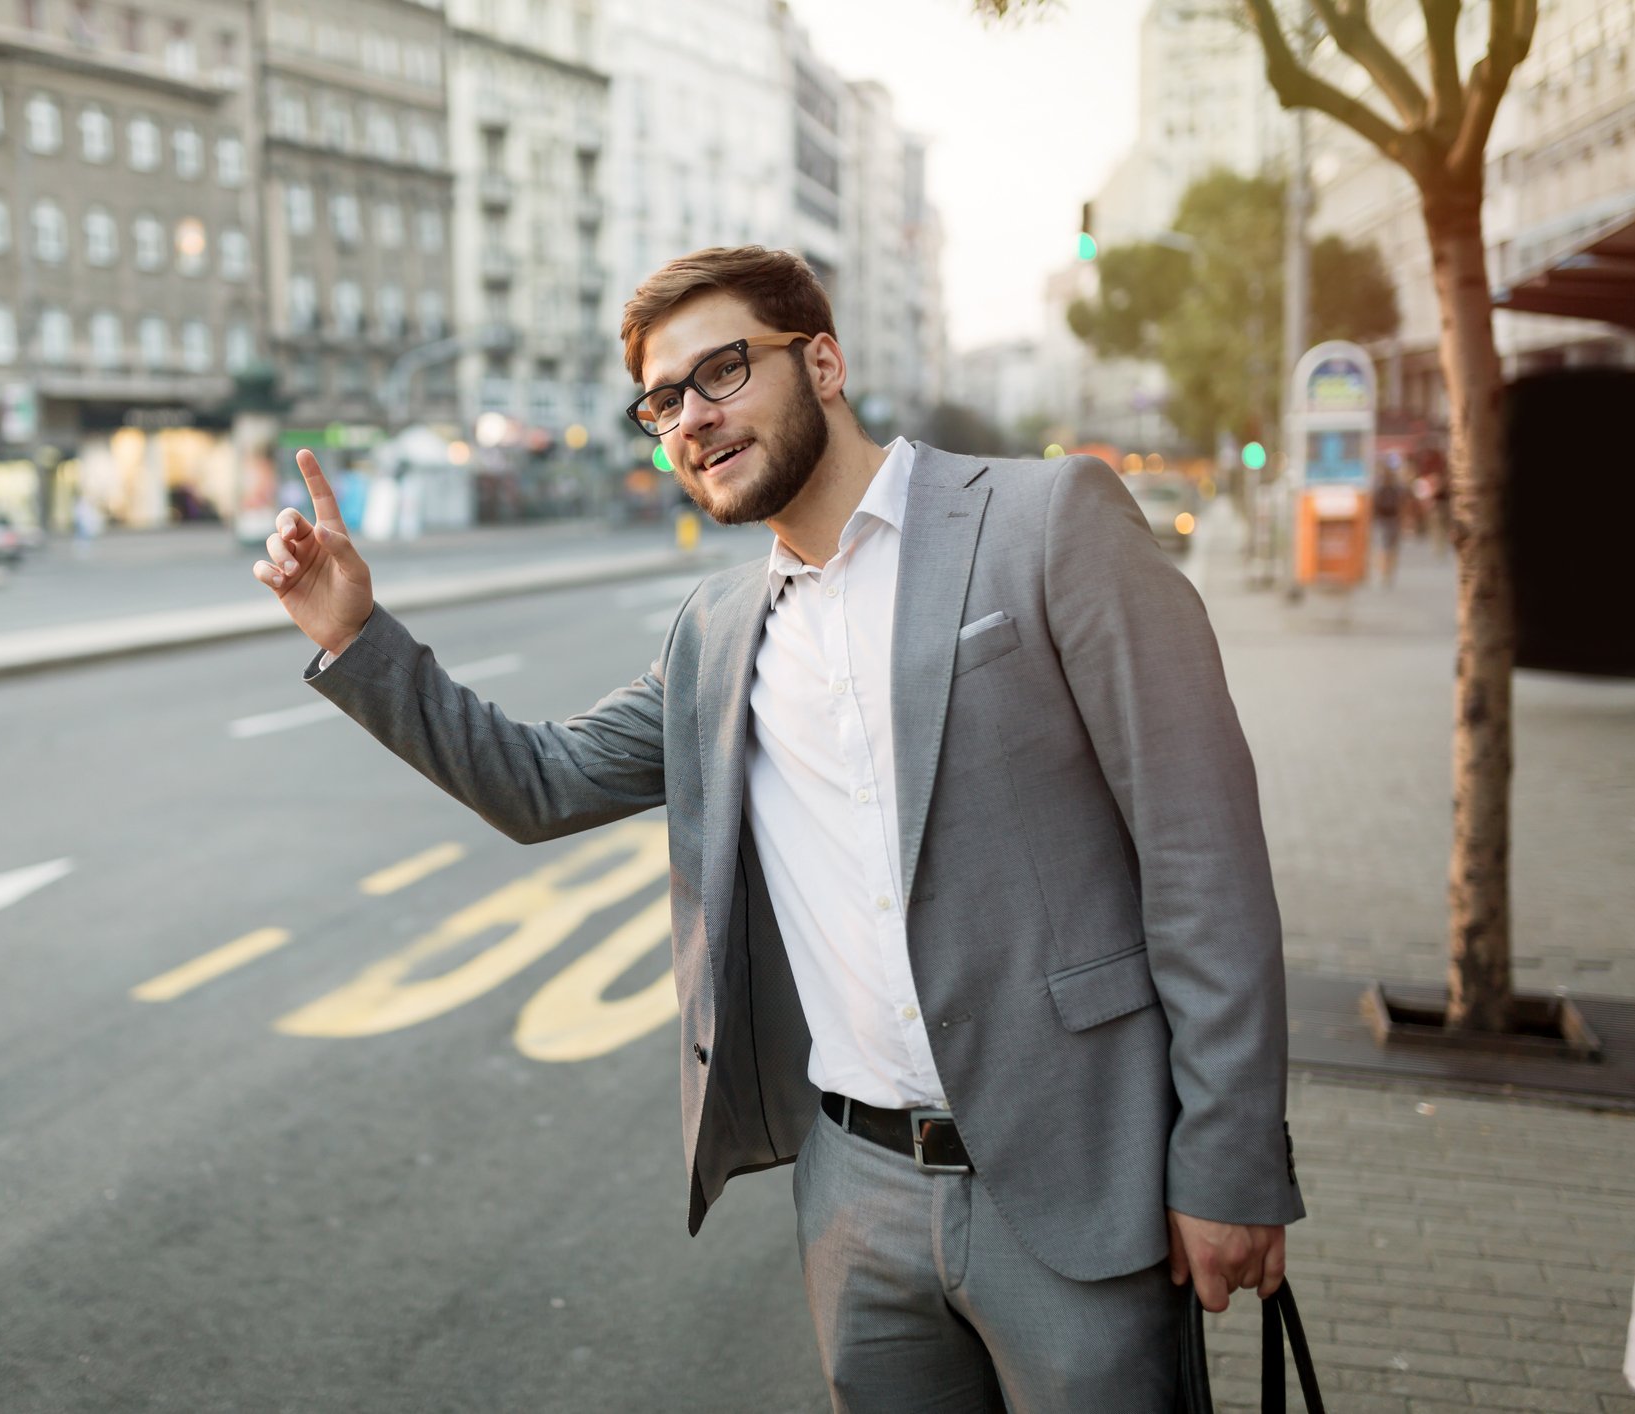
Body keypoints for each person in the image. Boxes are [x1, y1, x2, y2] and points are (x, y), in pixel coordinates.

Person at [254, 247, 1300, 1411]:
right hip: (856, 1199)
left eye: (723, 372)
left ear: (824, 360)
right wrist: (357, 636)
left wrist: (1230, 1157)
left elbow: (1202, 855)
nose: (694, 419)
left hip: (1079, 1181)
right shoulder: (715, 630)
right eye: (665, 401)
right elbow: (538, 781)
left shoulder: (1047, 521)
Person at [1372, 461, 1407, 587]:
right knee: (1383, 547)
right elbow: (1374, 506)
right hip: (1383, 521)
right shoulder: (1380, 489)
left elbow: (1402, 505)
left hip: (1393, 520)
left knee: (1392, 548)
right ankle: (1384, 571)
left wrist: (1402, 521)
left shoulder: (1396, 490)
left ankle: (1389, 570)